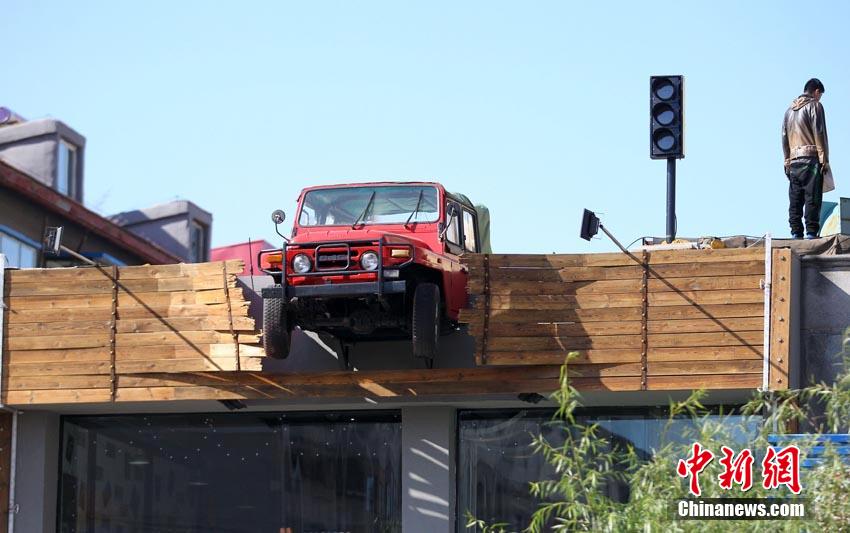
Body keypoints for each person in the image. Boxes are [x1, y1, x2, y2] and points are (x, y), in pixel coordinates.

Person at [782, 78, 830, 239]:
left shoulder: (789, 110)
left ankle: (795, 232)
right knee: (813, 196)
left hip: (794, 161)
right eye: (820, 95)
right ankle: (811, 232)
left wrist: (787, 160)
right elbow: (820, 133)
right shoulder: (815, 106)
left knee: (795, 198)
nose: (820, 98)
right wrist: (824, 159)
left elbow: (784, 136)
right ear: (816, 91)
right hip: (811, 159)